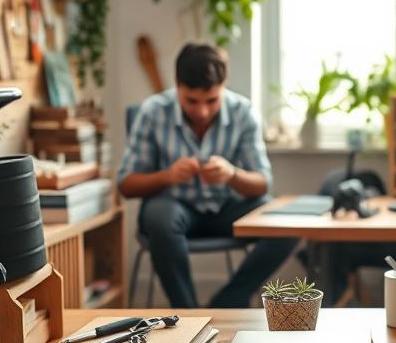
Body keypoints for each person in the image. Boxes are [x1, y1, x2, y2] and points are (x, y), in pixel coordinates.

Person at [118, 43, 297, 308]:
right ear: (177, 86)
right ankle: (189, 315)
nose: (202, 112)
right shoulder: (153, 111)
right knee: (160, 217)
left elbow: (262, 183)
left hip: (227, 208)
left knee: (287, 223)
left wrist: (232, 174)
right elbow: (126, 184)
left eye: (212, 101)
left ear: (223, 86)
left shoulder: (243, 112)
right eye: (192, 101)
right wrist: (168, 176)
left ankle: (226, 304)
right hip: (173, 210)